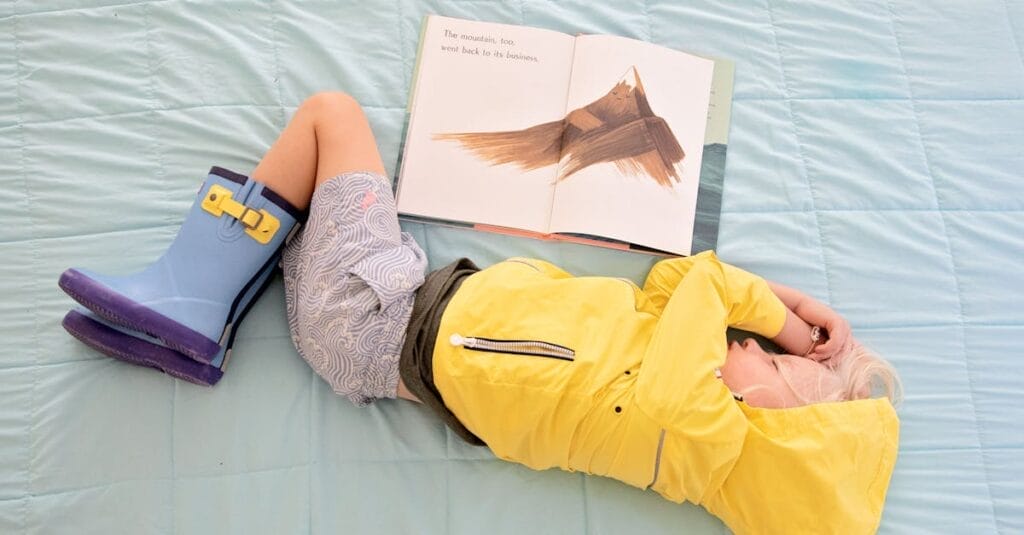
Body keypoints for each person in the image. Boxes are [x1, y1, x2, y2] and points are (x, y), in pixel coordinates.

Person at [58, 92, 902, 535]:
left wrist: (785, 323)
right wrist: (789, 303)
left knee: (331, 115)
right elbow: (677, 280)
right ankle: (204, 294)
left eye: (775, 360)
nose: (755, 344)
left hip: (379, 320)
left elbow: (708, 286)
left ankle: (193, 299)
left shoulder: (696, 424)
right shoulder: (677, 379)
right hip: (395, 304)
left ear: (771, 414)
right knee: (314, 192)